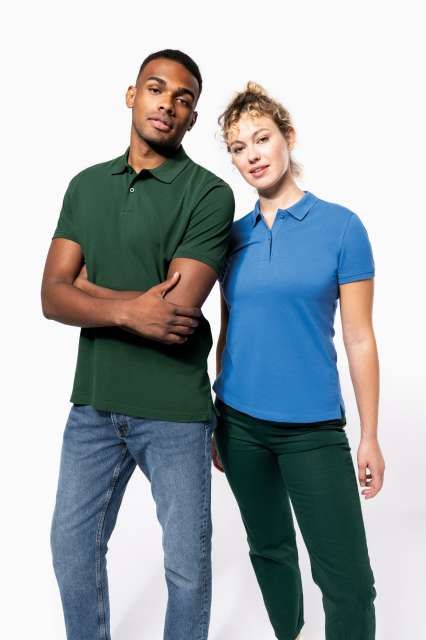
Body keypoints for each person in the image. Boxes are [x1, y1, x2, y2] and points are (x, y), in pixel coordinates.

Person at [41, 49, 234, 640]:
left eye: (183, 99)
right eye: (156, 89)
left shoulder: (209, 194)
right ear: (132, 95)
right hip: (95, 404)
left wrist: (87, 290)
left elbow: (174, 313)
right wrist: (128, 308)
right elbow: (51, 296)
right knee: (71, 547)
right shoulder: (86, 186)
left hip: (174, 410)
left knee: (187, 569)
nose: (167, 104)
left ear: (192, 118)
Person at [212, 82, 385, 640]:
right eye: (238, 148)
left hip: (312, 430)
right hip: (239, 426)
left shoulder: (342, 227)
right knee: (269, 551)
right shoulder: (230, 238)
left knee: (349, 583)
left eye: (262, 139)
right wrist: (216, 415)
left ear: (287, 137)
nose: (252, 155)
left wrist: (369, 436)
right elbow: (228, 330)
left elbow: (359, 338)